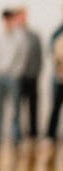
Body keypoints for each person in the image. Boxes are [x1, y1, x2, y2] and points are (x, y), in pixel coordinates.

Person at [0, 9, 26, 147]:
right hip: (0, 76)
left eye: (9, 19)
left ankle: (15, 136)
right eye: (5, 19)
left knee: (15, 108)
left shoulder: (19, 38)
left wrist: (16, 73)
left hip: (13, 77)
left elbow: (22, 57)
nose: (7, 22)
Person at [17, 7, 42, 139]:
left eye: (23, 16)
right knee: (18, 106)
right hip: (19, 77)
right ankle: (19, 133)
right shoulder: (15, 35)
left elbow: (39, 56)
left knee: (33, 106)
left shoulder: (34, 36)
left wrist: (36, 73)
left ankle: (33, 133)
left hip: (32, 77)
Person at [47, 8, 63, 141]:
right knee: (55, 108)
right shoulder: (57, 33)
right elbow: (52, 53)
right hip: (59, 77)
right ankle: (50, 135)